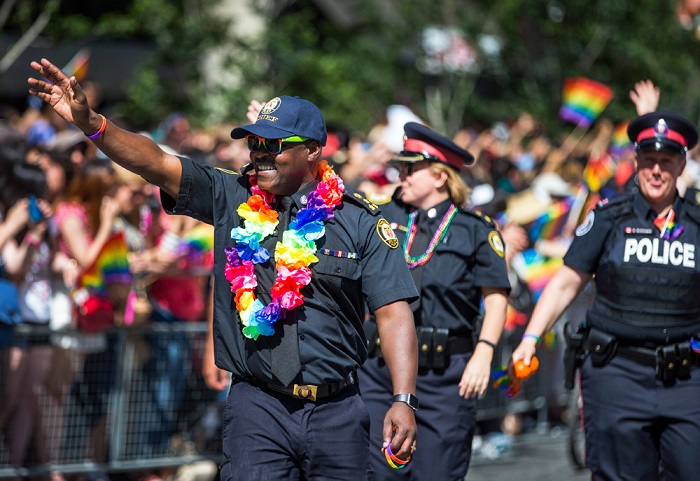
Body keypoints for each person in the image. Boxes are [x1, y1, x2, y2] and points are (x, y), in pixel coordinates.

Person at [28, 58, 419, 480]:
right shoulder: (231, 195)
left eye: (274, 145)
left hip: (337, 410)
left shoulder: (360, 221)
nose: (260, 154)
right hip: (258, 406)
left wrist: (403, 398)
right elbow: (155, 162)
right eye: (254, 144)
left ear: (311, 150)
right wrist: (94, 125)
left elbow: (393, 312)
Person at [511, 110, 700, 481]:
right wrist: (530, 338)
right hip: (618, 373)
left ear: (681, 165)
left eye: (666, 161)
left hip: (686, 377)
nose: (656, 170)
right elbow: (566, 282)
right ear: (635, 162)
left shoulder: (697, 224)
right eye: (648, 161)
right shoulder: (608, 218)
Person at [358, 122, 510, 481]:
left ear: (440, 177)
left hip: (444, 376)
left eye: (411, 169)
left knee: (438, 472)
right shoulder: (381, 216)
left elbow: (496, 298)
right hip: (381, 371)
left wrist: (484, 353)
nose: (402, 176)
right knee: (376, 473)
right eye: (400, 168)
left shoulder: (475, 229)